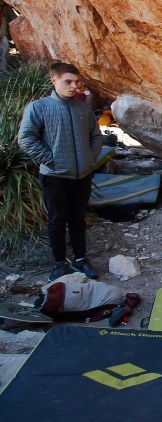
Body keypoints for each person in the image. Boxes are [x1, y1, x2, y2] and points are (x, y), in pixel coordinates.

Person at [18, 62, 102, 281]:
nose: (74, 86)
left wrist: (90, 158)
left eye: (77, 82)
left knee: (78, 218)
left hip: (82, 175)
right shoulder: (39, 107)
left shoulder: (83, 108)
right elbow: (26, 138)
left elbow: (96, 136)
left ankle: (81, 259)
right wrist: (51, 160)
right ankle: (59, 263)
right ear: (53, 81)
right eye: (68, 82)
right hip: (54, 176)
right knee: (57, 219)